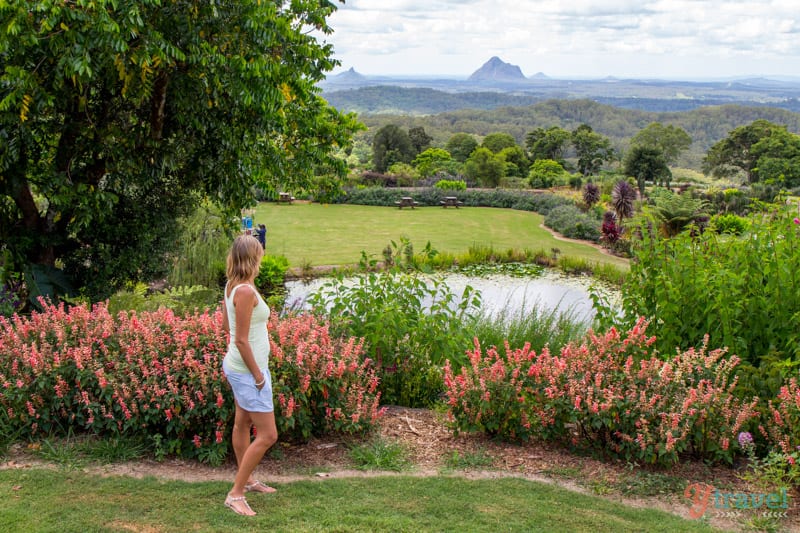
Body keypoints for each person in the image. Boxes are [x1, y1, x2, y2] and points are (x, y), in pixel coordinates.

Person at [221, 235, 278, 516]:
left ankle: (250, 480)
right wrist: (258, 375)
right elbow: (240, 339)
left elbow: (226, 326)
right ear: (252, 258)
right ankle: (236, 493)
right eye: (260, 252)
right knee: (268, 435)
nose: (263, 256)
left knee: (242, 425)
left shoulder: (234, 285)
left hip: (240, 367)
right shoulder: (244, 290)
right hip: (247, 371)